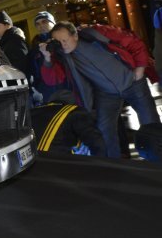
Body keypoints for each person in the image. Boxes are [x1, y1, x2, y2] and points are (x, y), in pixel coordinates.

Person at [41, 21, 161, 158]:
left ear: (75, 35)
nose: (63, 44)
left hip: (132, 82)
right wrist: (47, 58)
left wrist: (140, 67)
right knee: (104, 130)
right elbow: (52, 80)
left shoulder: (96, 33)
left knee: (150, 122)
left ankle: (157, 159)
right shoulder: (63, 57)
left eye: (65, 40)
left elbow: (133, 41)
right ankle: (113, 166)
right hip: (106, 93)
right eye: (58, 42)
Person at [31, 90, 106, 156]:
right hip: (55, 164)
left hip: (28, 163)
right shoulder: (74, 111)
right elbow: (95, 140)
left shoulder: (32, 111)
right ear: (72, 103)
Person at [28, 11, 61, 105]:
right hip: (45, 89)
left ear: (52, 22)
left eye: (44, 21)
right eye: (37, 24)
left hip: (63, 85)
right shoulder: (35, 45)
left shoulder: (61, 39)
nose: (41, 25)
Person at [0, 10, 29, 76]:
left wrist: (5, 69)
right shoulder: (4, 41)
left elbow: (23, 63)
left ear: (7, 25)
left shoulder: (16, 39)